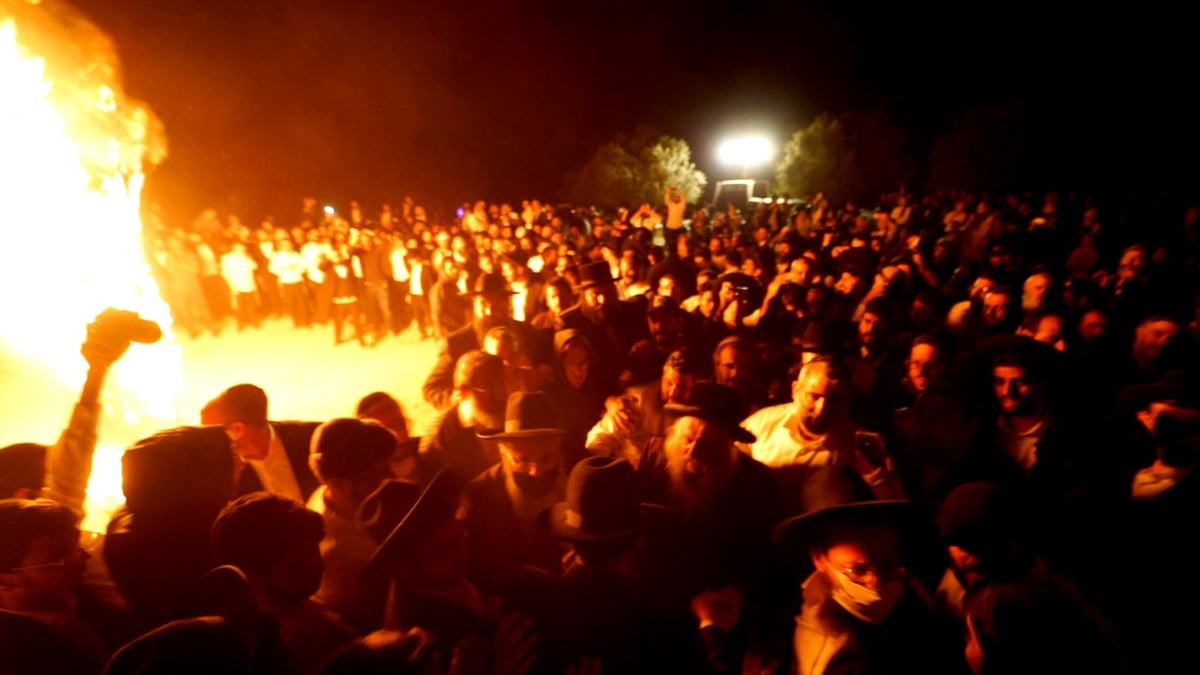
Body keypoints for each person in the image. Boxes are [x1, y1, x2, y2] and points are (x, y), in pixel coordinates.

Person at [503, 456, 711, 674]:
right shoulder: (663, 626)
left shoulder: (526, 596)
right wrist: (711, 627)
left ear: (570, 539)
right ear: (639, 541)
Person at [635, 382, 785, 669]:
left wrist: (739, 593)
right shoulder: (653, 458)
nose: (693, 452)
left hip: (722, 616)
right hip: (660, 606)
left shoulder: (759, 485)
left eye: (710, 444)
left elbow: (767, 564)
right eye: (688, 437)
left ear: (730, 444)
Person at [773, 466, 962, 675]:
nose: (877, 582)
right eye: (858, 569)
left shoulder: (916, 599)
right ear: (819, 559)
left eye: (887, 563)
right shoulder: (817, 642)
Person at [210, 493, 353, 673]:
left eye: (314, 553)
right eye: (297, 565)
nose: (318, 566)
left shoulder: (320, 619)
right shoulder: (260, 652)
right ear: (253, 577)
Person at [463, 392, 588, 595]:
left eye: (546, 458)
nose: (535, 471)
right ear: (503, 451)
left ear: (560, 446)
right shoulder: (481, 494)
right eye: (521, 460)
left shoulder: (583, 474)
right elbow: (481, 569)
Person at [0, 499, 112, 674]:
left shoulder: (87, 598)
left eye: (77, 544)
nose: (85, 555)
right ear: (5, 581)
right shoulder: (13, 656)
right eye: (59, 554)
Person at [306, 418, 397, 632]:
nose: (391, 478)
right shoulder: (340, 554)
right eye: (378, 474)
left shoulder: (332, 497)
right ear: (338, 483)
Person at [421, 273, 537, 411]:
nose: (489, 311)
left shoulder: (526, 332)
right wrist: (455, 399)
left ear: (506, 304)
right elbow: (431, 388)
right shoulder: (457, 343)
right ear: (474, 303)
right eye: (483, 304)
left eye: (497, 304)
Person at [201, 383, 321, 503]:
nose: (208, 443)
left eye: (211, 433)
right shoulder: (229, 477)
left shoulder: (312, 440)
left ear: (238, 429)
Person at [586, 349, 701, 464]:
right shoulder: (638, 400)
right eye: (669, 383)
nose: (672, 392)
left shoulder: (701, 415)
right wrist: (606, 470)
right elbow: (599, 439)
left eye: (681, 387)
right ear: (662, 376)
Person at [417, 350, 508, 483]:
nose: (500, 395)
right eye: (488, 388)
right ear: (462, 392)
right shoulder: (439, 442)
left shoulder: (517, 414)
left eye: (502, 384)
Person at [356, 392, 420, 482]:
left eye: (402, 423)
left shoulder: (430, 450)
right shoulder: (365, 481)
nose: (402, 432)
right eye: (390, 430)